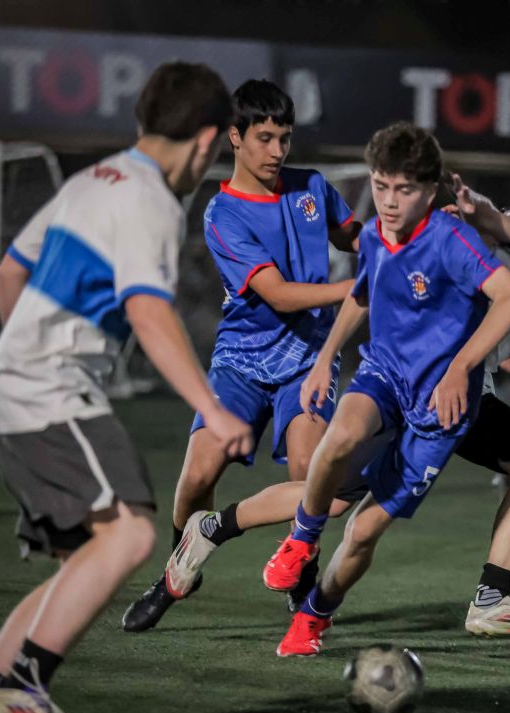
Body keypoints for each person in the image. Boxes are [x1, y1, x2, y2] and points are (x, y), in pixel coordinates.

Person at [121, 175, 510, 643]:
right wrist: (471, 202)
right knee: (334, 498)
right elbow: (499, 222)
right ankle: (214, 529)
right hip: (414, 375)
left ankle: (490, 599)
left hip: (463, 392)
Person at [0, 62, 251, 713]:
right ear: (205, 142)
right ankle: (25, 689)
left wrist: (21, 353)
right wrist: (211, 409)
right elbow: (148, 309)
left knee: (79, 569)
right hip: (49, 391)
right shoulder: (154, 201)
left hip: (16, 389)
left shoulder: (91, 180)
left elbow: (11, 269)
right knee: (131, 535)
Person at [268, 121, 510, 656]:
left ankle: (315, 614)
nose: (389, 201)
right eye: (381, 185)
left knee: (363, 532)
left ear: (430, 191)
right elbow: (362, 296)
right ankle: (302, 538)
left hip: (440, 406)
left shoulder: (451, 239)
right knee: (340, 435)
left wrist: (461, 366)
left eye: (404, 189)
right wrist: (325, 359)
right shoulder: (372, 235)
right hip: (385, 372)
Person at [120, 79, 359, 631]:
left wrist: (402, 242)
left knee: (311, 475)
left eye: (285, 138)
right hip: (242, 361)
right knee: (198, 475)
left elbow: (355, 237)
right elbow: (278, 295)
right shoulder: (222, 214)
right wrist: (355, 289)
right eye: (264, 138)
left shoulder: (312, 187)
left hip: (308, 357)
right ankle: (180, 565)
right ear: (235, 136)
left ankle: (300, 575)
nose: (277, 151)